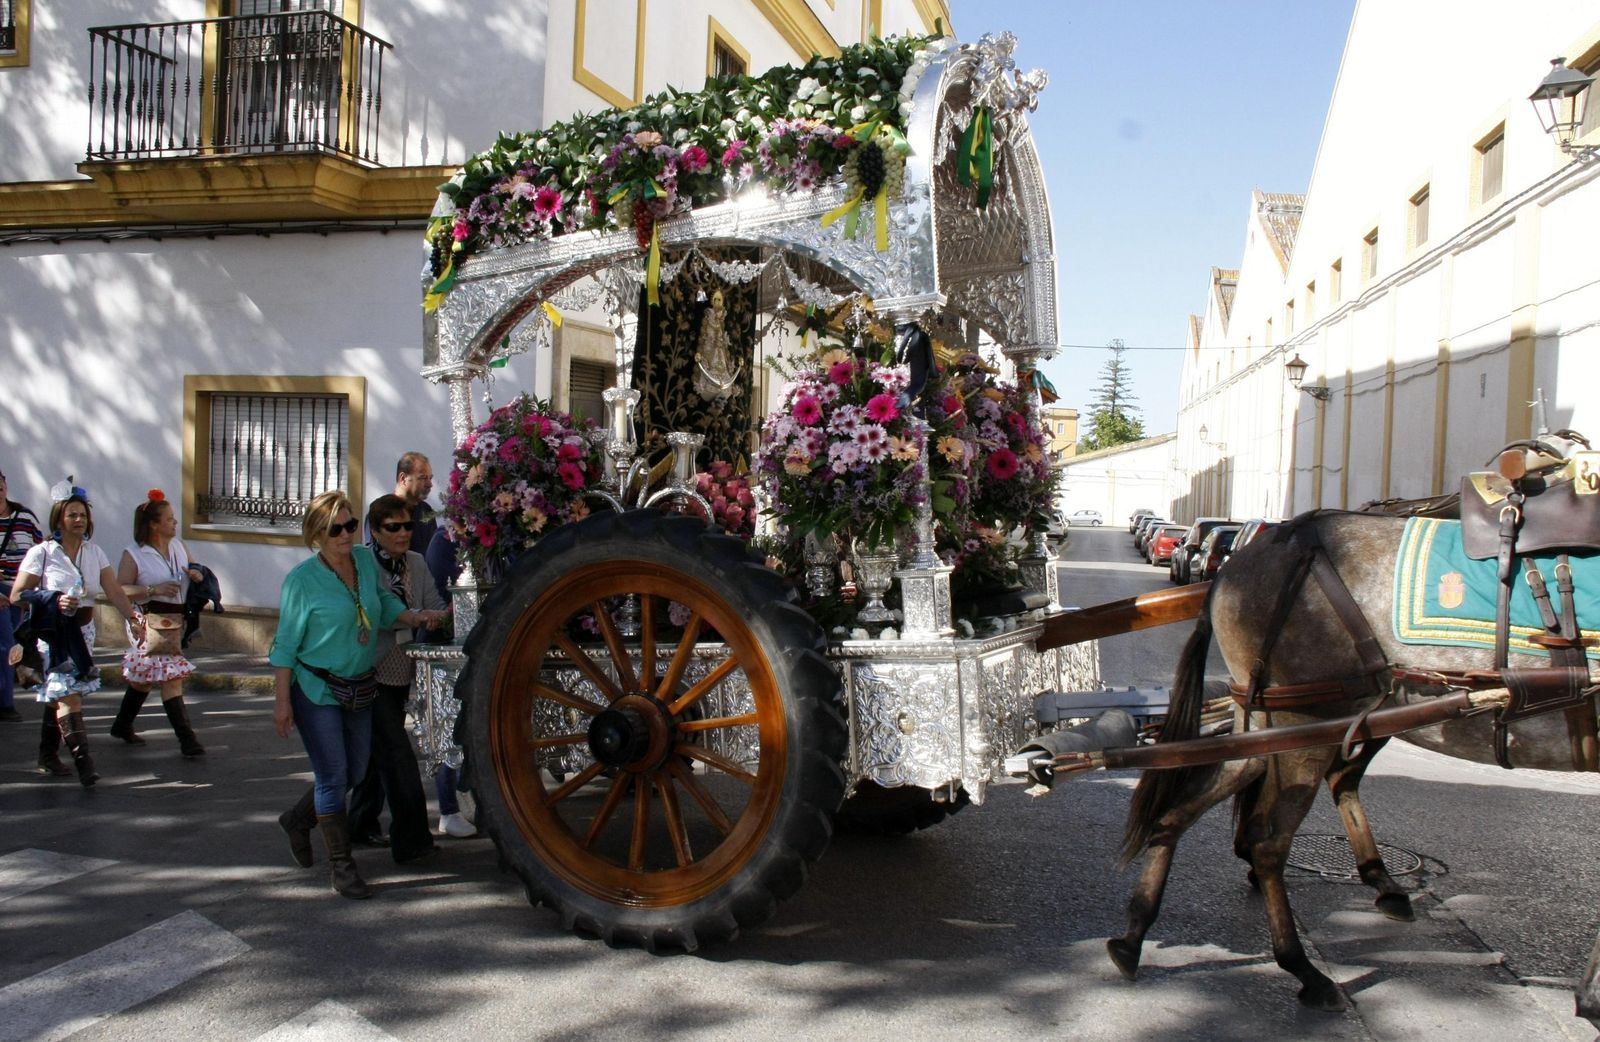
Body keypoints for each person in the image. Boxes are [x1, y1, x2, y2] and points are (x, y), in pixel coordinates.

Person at [269, 490, 445, 898]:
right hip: (316, 687)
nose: (346, 535)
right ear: (316, 534)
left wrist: (416, 616)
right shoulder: (300, 580)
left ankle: (298, 819)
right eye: (336, 529)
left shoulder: (364, 561)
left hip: (360, 682)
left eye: (350, 525)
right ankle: (342, 867)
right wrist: (282, 701)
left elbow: (382, 605)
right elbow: (284, 645)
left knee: (355, 770)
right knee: (333, 775)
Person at [9, 484, 145, 787]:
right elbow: (19, 594)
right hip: (53, 636)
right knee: (69, 697)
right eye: (72, 515)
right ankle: (85, 763)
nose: (79, 520)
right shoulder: (42, 553)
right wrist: (52, 599)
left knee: (58, 696)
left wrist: (133, 618)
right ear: (59, 518)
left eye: (83, 515)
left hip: (83, 632)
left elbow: (113, 590)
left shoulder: (94, 553)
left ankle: (47, 754)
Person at [347, 494, 449, 861]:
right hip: (369, 672)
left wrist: (446, 614)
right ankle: (412, 842)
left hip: (402, 672)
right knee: (397, 756)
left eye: (408, 526)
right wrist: (416, 616)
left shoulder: (418, 563)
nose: (404, 533)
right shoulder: (362, 565)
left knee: (371, 758)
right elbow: (378, 614)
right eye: (394, 527)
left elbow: (436, 606)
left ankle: (356, 823)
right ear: (375, 531)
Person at [109, 490, 206, 756]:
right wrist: (153, 589)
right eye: (170, 519)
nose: (175, 523)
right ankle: (187, 739)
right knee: (171, 677)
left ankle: (122, 724)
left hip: (176, 618)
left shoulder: (178, 546)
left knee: (143, 678)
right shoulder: (134, 554)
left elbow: (196, 567)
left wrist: (196, 574)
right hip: (149, 619)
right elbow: (120, 589)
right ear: (153, 524)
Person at [423, 524, 475, 838]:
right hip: (446, 641)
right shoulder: (444, 540)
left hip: (477, 642)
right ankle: (449, 809)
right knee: (449, 727)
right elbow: (440, 593)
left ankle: (466, 796)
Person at [0, 469, 45, 723]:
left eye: (1, 484)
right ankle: (5, 703)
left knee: (13, 641)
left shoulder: (25, 517)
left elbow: (42, 550)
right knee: (7, 642)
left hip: (21, 590)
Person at [393, 452, 437, 555]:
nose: (430, 484)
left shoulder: (426, 510)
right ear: (403, 478)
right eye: (423, 478)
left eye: (430, 478)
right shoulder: (382, 511)